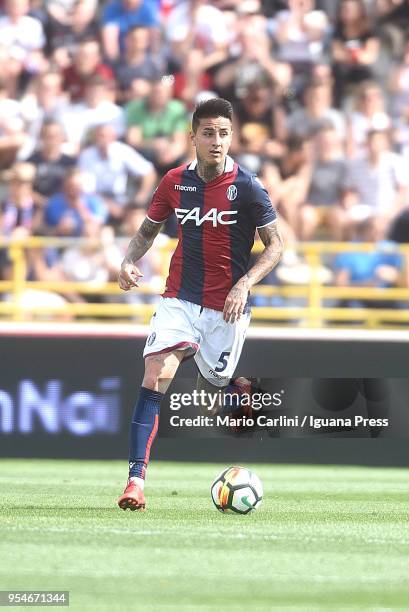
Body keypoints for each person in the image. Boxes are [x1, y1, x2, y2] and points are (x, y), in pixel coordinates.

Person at [116, 98, 283, 510]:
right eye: (208, 132)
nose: (217, 141)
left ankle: (237, 388)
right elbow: (147, 231)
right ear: (192, 136)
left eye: (224, 133)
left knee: (213, 385)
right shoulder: (174, 181)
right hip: (180, 298)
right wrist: (127, 259)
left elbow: (276, 244)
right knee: (156, 373)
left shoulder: (247, 186)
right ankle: (135, 481)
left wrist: (244, 283)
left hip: (226, 308)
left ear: (232, 137)